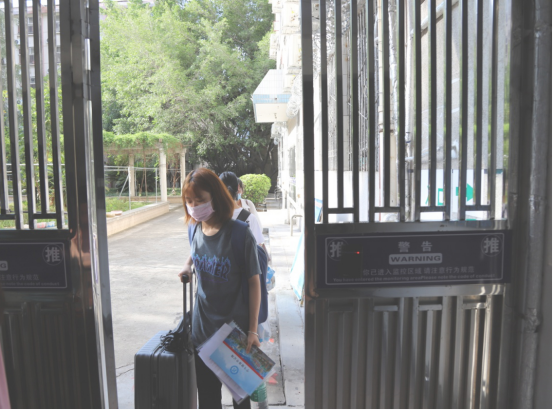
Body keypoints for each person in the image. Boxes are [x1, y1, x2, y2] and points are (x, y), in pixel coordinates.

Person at [178, 168, 261, 409]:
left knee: (241, 401)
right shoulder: (195, 228)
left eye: (200, 200)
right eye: (189, 201)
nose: (194, 206)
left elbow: (254, 282)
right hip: (202, 333)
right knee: (208, 401)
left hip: (235, 335)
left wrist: (253, 331)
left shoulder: (240, 234)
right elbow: (196, 251)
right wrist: (187, 265)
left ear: (215, 197)